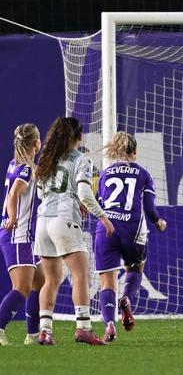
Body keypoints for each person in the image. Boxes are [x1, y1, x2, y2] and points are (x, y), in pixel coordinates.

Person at [32, 117, 115, 345]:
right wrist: (104, 218)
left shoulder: (46, 159)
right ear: (78, 137)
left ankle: (45, 331)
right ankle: (83, 328)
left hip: (42, 223)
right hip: (64, 219)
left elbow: (40, 194)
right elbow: (85, 194)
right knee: (80, 275)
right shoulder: (81, 160)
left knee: (51, 280)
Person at [94, 132, 167, 342]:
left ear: (116, 151)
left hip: (106, 229)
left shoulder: (105, 174)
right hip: (132, 230)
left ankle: (109, 325)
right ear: (134, 152)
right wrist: (158, 222)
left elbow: (99, 204)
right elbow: (150, 208)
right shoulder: (143, 174)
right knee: (135, 268)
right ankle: (126, 296)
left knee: (106, 282)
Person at [0, 124, 44, 345]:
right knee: (23, 287)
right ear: (36, 143)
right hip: (17, 235)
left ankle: (33, 335)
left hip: (24, 236)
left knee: (40, 280)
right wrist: (13, 218)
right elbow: (14, 194)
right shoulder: (26, 169)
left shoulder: (15, 164)